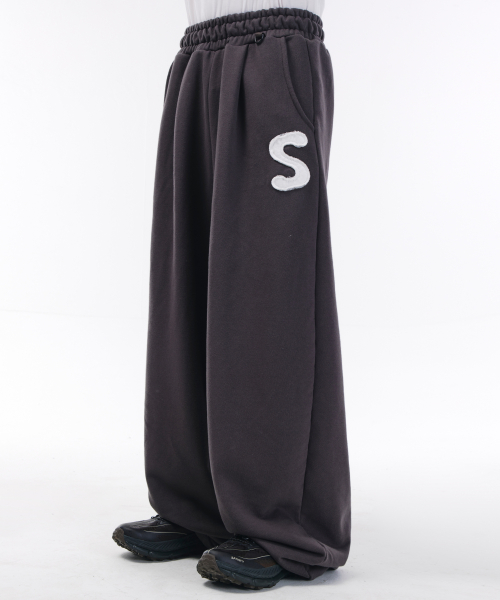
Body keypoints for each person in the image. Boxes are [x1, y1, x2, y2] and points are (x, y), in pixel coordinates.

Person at [112, 0, 351, 590]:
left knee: (268, 292)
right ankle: (197, 504)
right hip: (196, 53)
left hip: (277, 45)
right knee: (182, 286)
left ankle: (285, 522)